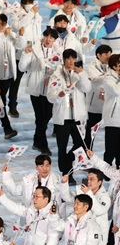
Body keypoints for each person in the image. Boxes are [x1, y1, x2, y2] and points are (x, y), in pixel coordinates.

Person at [47, 49, 91, 180]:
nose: (71, 61)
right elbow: (50, 96)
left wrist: (82, 74)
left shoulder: (80, 73)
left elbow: (87, 88)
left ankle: (67, 160)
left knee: (82, 145)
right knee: (62, 146)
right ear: (64, 59)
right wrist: (59, 96)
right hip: (63, 117)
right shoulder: (56, 75)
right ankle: (67, 174)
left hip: (78, 117)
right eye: (69, 58)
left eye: (74, 59)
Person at [18, 27, 61, 156]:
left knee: (46, 117)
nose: (48, 39)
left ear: (55, 40)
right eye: (47, 36)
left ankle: (37, 140)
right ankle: (44, 146)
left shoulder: (57, 54)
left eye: (51, 38)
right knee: (40, 118)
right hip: (36, 89)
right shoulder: (34, 50)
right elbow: (21, 67)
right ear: (43, 37)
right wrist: (26, 54)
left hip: (50, 90)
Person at [10, 0, 43, 118]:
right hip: (21, 52)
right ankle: (12, 105)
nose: (30, 5)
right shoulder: (17, 15)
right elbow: (18, 27)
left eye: (31, 3)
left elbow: (38, 31)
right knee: (16, 81)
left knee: (37, 78)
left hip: (34, 51)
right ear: (23, 4)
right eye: (28, 3)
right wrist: (30, 14)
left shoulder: (36, 16)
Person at [85, 45, 113, 146]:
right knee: (90, 132)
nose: (108, 56)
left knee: (111, 133)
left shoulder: (109, 66)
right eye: (106, 54)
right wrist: (109, 75)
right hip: (94, 106)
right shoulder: (90, 67)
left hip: (107, 105)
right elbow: (94, 79)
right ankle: (86, 152)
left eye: (110, 54)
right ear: (98, 55)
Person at [103, 55, 120, 167]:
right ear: (114, 66)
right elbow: (116, 91)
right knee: (111, 148)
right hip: (113, 119)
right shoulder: (108, 78)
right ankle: (106, 171)